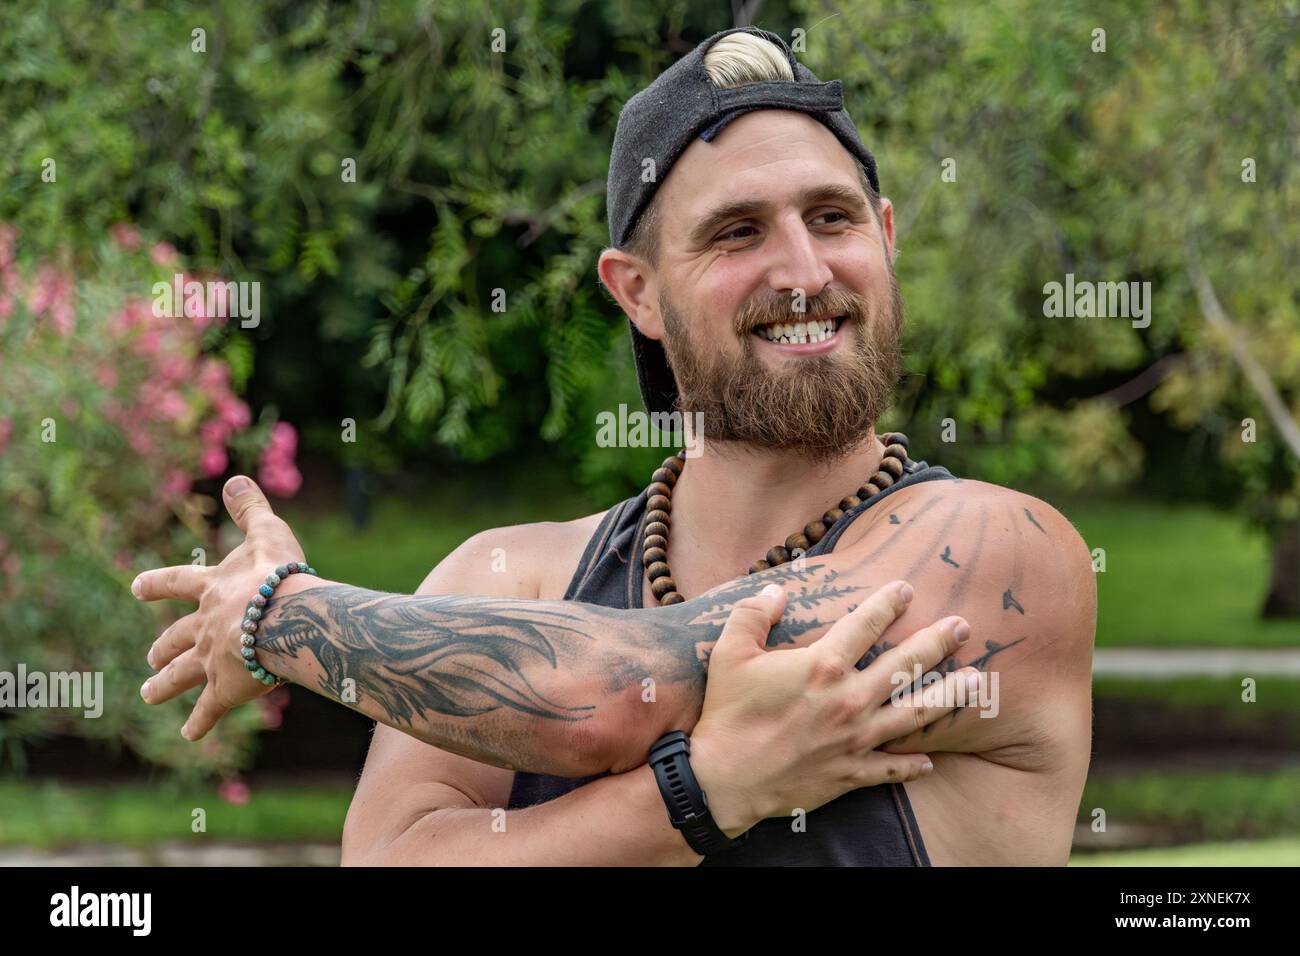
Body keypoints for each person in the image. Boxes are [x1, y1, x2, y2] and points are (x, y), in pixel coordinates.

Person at [135, 27, 1095, 866]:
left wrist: (277, 614)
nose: (804, 271)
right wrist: (709, 789)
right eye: (737, 232)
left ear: (885, 238)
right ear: (637, 292)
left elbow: (610, 693)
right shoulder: (509, 576)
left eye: (832, 217)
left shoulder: (999, 550)